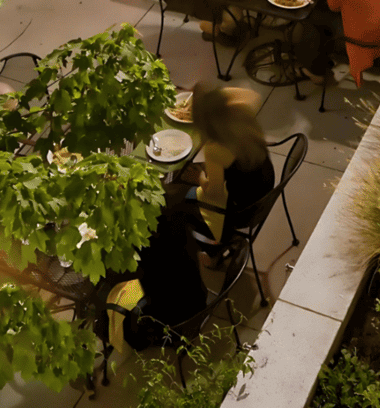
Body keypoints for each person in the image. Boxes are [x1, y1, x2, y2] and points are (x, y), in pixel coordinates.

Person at [105, 206, 208, 355]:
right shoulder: (175, 214)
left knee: (115, 299)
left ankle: (126, 342)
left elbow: (127, 279)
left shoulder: (144, 248)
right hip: (198, 298)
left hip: (177, 319)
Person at [188, 83, 274, 242]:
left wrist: (199, 177)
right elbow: (253, 95)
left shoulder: (215, 150)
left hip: (243, 211)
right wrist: (217, 98)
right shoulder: (243, 116)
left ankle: (215, 247)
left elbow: (214, 194)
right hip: (265, 188)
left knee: (184, 197)